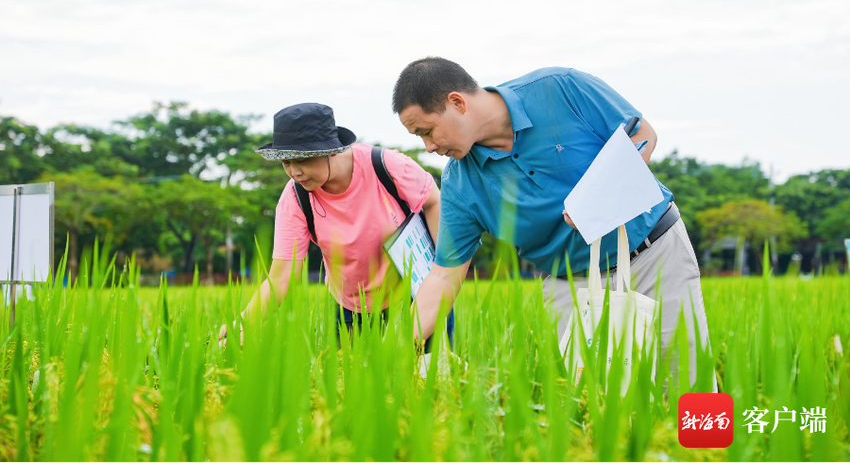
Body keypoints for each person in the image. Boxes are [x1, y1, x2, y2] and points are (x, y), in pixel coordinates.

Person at [392, 57, 715, 390]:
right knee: (598, 402)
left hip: (653, 253)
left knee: (689, 382)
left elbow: (641, 136)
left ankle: (711, 443)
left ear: (457, 103)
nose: (429, 147)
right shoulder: (461, 184)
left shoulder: (558, 88)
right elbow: (445, 274)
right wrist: (392, 348)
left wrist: (596, 198)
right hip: (570, 287)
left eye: (427, 131)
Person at [218, 102, 453, 346]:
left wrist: (442, 269)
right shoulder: (296, 199)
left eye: (303, 160)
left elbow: (434, 201)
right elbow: (281, 277)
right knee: (352, 378)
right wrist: (242, 325)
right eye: (286, 162)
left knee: (429, 376)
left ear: (331, 149)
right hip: (354, 304)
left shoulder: (387, 167)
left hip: (418, 291)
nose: (295, 172)